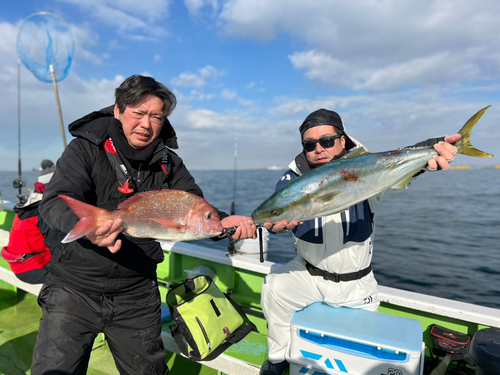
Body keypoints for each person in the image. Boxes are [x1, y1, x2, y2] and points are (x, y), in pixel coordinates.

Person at [32, 75, 257, 375]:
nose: (146, 124)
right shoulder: (84, 149)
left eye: (156, 117)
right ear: (118, 110)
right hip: (74, 288)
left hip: (136, 292)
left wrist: (224, 223)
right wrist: (89, 227)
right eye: (138, 113)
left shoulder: (170, 163)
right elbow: (55, 202)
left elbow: (193, 206)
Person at [259, 108, 459, 375]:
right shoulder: (292, 181)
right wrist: (275, 227)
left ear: (343, 140)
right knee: (274, 286)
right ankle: (278, 358)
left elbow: (397, 161)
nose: (319, 149)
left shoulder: (368, 174)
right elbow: (277, 214)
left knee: (361, 356)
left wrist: (431, 152)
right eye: (310, 145)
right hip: (308, 274)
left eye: (327, 141)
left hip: (356, 283)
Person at [1, 160, 55, 284]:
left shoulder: (32, 202)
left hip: (20, 263)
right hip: (32, 268)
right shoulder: (45, 209)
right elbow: (56, 247)